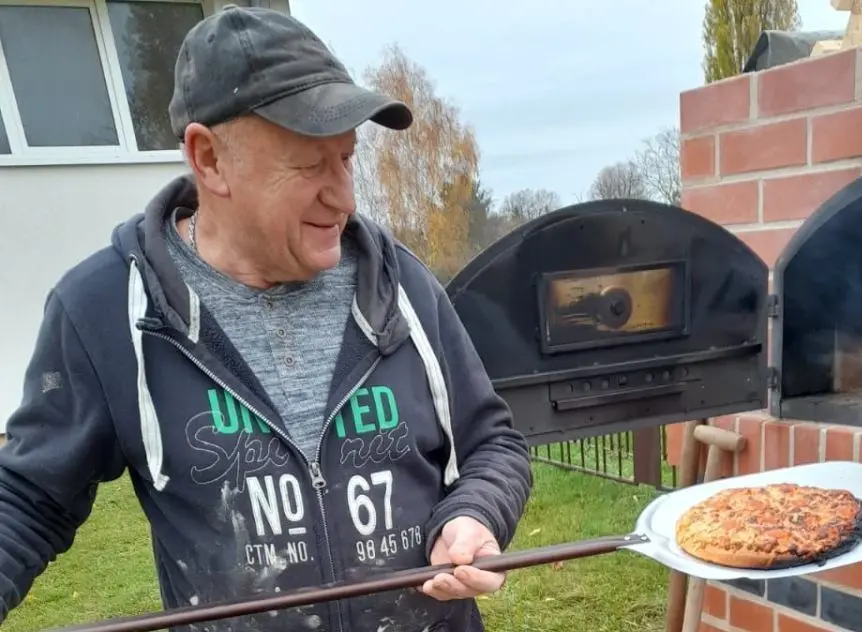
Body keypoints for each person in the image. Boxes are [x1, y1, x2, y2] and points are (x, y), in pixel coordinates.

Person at [0, 5, 533, 631]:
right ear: (209, 159)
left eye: (346, 158)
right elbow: (28, 500)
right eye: (310, 166)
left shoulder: (401, 284)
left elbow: (493, 443)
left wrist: (475, 512)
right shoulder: (105, 310)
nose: (343, 197)